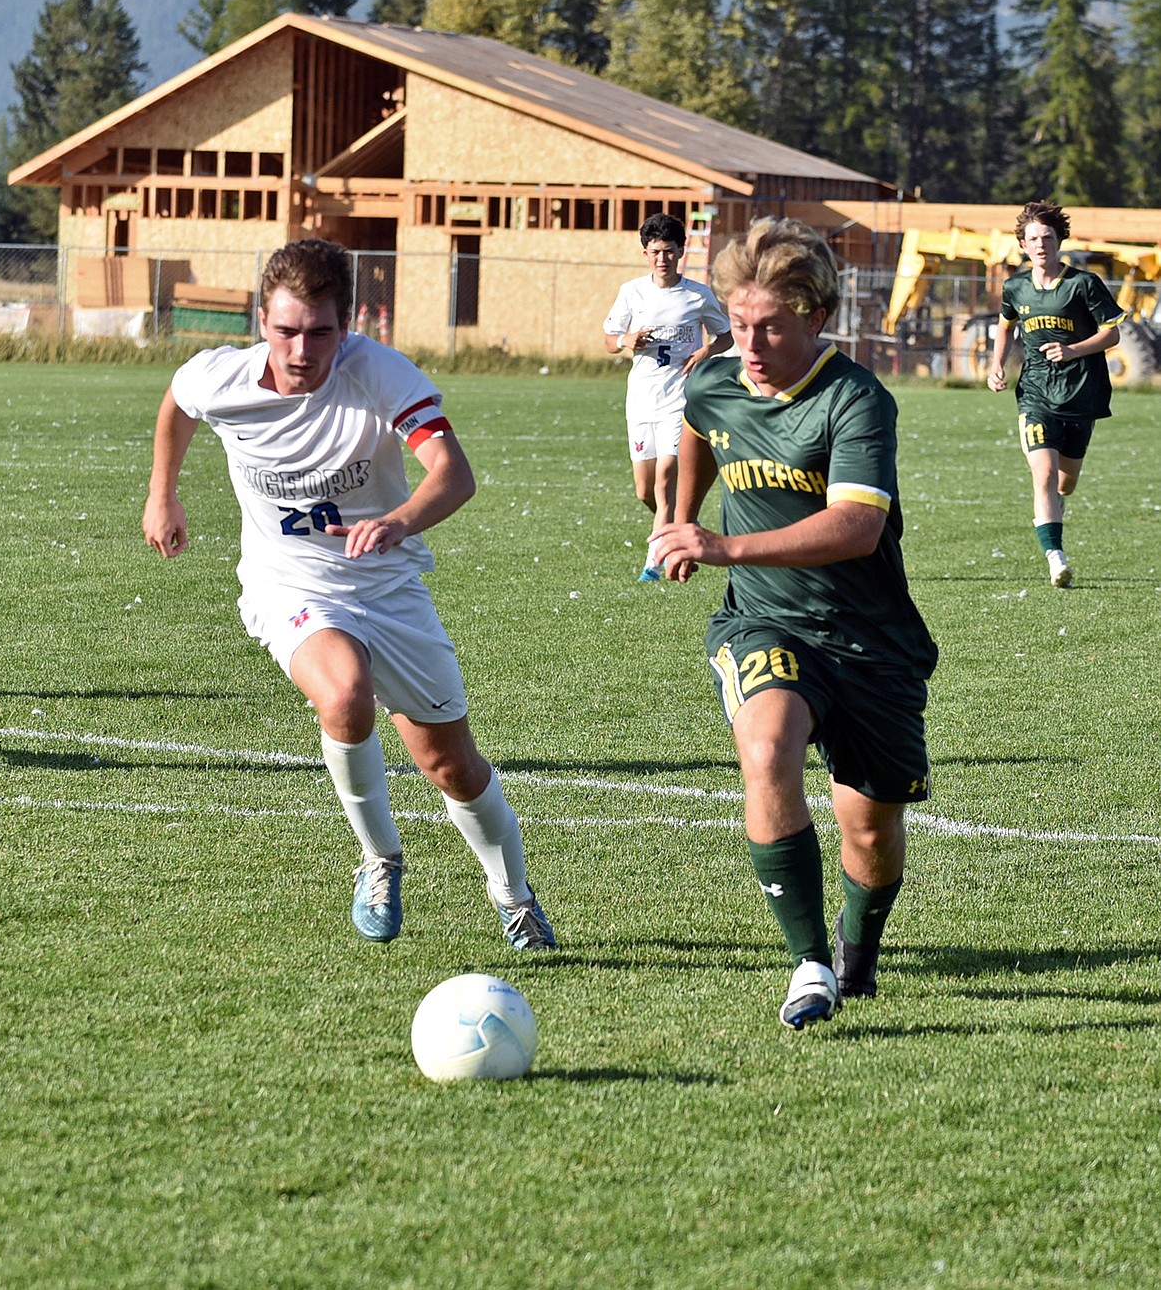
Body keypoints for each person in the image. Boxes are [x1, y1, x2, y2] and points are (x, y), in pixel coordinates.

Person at [142, 238, 555, 951]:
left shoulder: (379, 373)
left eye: (321, 331)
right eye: (286, 330)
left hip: (388, 590)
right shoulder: (221, 378)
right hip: (289, 584)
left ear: (350, 322)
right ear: (259, 320)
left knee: (452, 767)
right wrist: (163, 495)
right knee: (343, 695)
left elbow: (452, 475)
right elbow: (177, 406)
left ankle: (514, 897)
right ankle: (379, 858)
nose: (301, 349)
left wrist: (395, 522)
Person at [650, 219, 937, 1030]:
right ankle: (808, 963)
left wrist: (722, 543)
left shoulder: (855, 399)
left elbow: (856, 528)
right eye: (739, 324)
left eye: (769, 326)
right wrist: (679, 518)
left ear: (815, 316)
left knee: (870, 832)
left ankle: (857, 954)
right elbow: (699, 426)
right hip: (764, 624)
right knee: (767, 746)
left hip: (872, 643)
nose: (749, 343)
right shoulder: (717, 379)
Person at [987, 201, 1123, 589]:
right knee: (1042, 475)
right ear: (1023, 245)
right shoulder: (1015, 287)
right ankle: (1055, 558)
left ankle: (1055, 511)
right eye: (1033, 238)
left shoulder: (1083, 284)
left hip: (1081, 394)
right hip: (1034, 395)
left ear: (1060, 239)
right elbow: (1005, 326)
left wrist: (1074, 350)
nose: (1041, 244)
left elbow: (1112, 332)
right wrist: (996, 365)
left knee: (1066, 483)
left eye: (1047, 236)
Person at [603, 213, 732, 581]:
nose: (663, 259)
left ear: (681, 252)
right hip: (642, 398)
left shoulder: (697, 295)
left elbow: (724, 336)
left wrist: (703, 352)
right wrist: (626, 341)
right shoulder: (632, 292)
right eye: (656, 252)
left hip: (679, 398)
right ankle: (675, 524)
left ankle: (653, 564)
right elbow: (609, 340)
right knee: (646, 491)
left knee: (664, 479)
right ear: (646, 253)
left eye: (670, 252)